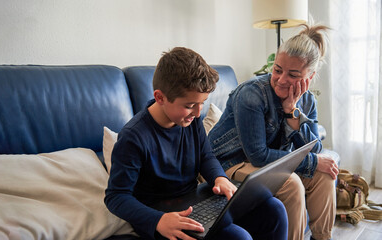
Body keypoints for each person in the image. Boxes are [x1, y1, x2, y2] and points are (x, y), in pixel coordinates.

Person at [105, 47, 288, 240]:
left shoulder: (189, 120)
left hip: (195, 200)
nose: (198, 113)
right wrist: (159, 220)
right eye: (190, 105)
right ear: (160, 97)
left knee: (274, 209)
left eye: (203, 103)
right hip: (161, 215)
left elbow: (205, 156)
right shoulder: (133, 137)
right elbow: (116, 197)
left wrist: (219, 178)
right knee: (237, 237)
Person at [208, 24, 337, 240]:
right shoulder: (252, 95)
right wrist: (313, 162)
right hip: (230, 163)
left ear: (310, 76)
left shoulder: (307, 101)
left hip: (270, 165)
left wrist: (292, 114)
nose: (281, 79)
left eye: (293, 74)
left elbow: (314, 148)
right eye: (277, 69)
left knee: (324, 174)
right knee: (291, 182)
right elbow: (258, 156)